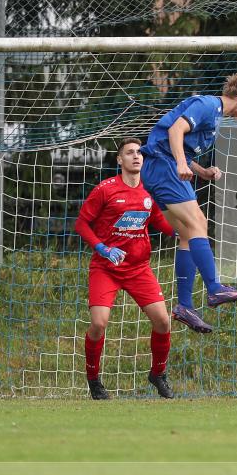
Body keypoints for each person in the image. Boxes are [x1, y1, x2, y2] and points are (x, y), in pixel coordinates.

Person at [140, 74, 237, 334]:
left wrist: (201, 171)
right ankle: (215, 288)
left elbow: (182, 148)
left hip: (163, 166)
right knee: (198, 223)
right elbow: (175, 130)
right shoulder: (209, 105)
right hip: (163, 165)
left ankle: (185, 306)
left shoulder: (216, 114)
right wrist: (180, 164)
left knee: (188, 233)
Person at [75, 138, 177, 400]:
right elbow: (82, 225)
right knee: (98, 324)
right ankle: (94, 380)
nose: (136, 156)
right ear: (119, 160)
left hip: (138, 268)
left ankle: (158, 374)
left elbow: (163, 225)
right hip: (106, 268)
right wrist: (102, 249)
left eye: (139, 153)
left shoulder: (148, 193)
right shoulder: (105, 190)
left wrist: (188, 229)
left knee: (163, 321)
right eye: (130, 153)